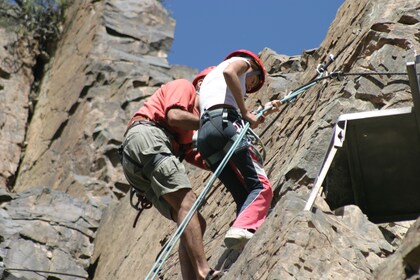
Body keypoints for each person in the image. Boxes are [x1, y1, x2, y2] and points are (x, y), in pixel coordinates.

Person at [120, 66, 223, 280]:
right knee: (188, 203)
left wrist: (225, 163)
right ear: (202, 84)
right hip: (148, 137)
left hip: (138, 162)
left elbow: (193, 155)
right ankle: (203, 270)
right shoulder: (184, 87)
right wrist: (213, 123)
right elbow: (174, 116)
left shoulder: (191, 125)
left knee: (190, 219)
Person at [197, 50, 281, 250]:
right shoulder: (243, 62)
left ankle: (241, 234)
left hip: (205, 136)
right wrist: (244, 112)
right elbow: (230, 73)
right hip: (225, 121)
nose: (249, 88)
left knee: (242, 194)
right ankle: (243, 228)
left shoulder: (208, 80)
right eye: (253, 83)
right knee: (260, 186)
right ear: (254, 69)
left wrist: (256, 113)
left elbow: (200, 105)